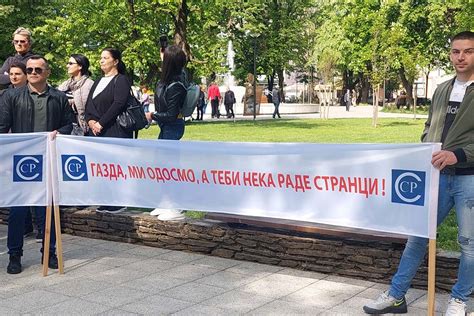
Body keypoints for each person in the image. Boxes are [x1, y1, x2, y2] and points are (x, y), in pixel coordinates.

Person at [363, 31, 474, 316]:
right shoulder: (442, 89)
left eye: (468, 51)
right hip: (436, 176)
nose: (460, 57)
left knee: (469, 243)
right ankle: (397, 296)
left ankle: (459, 299)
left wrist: (458, 154)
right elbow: (430, 125)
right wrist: (426, 147)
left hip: (468, 178)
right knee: (418, 235)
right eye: (455, 51)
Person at [0, 55, 74, 274]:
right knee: (18, 211)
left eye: (37, 70)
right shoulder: (11, 96)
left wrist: (58, 133)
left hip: (48, 160)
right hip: (21, 162)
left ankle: (49, 252)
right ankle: (14, 255)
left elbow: (68, 126)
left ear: (47, 73)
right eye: (30, 69)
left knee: (47, 210)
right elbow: (2, 128)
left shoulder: (59, 98)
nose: (33, 73)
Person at [146, 45, 187, 221]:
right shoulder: (169, 80)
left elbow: (171, 114)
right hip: (166, 127)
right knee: (162, 165)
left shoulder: (176, 84)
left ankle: (175, 206)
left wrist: (152, 115)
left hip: (172, 126)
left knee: (169, 166)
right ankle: (166, 201)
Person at [85, 48, 132, 139]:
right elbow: (89, 104)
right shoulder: (98, 81)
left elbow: (118, 104)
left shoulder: (121, 80)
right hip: (94, 132)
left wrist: (101, 123)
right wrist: (90, 121)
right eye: (101, 58)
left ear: (115, 62)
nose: (101, 61)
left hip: (114, 131)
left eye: (105, 58)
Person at [57, 54, 94, 135]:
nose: (67, 66)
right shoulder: (65, 84)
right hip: (67, 127)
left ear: (80, 66)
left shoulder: (89, 84)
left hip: (84, 128)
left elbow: (93, 108)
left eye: (70, 63)